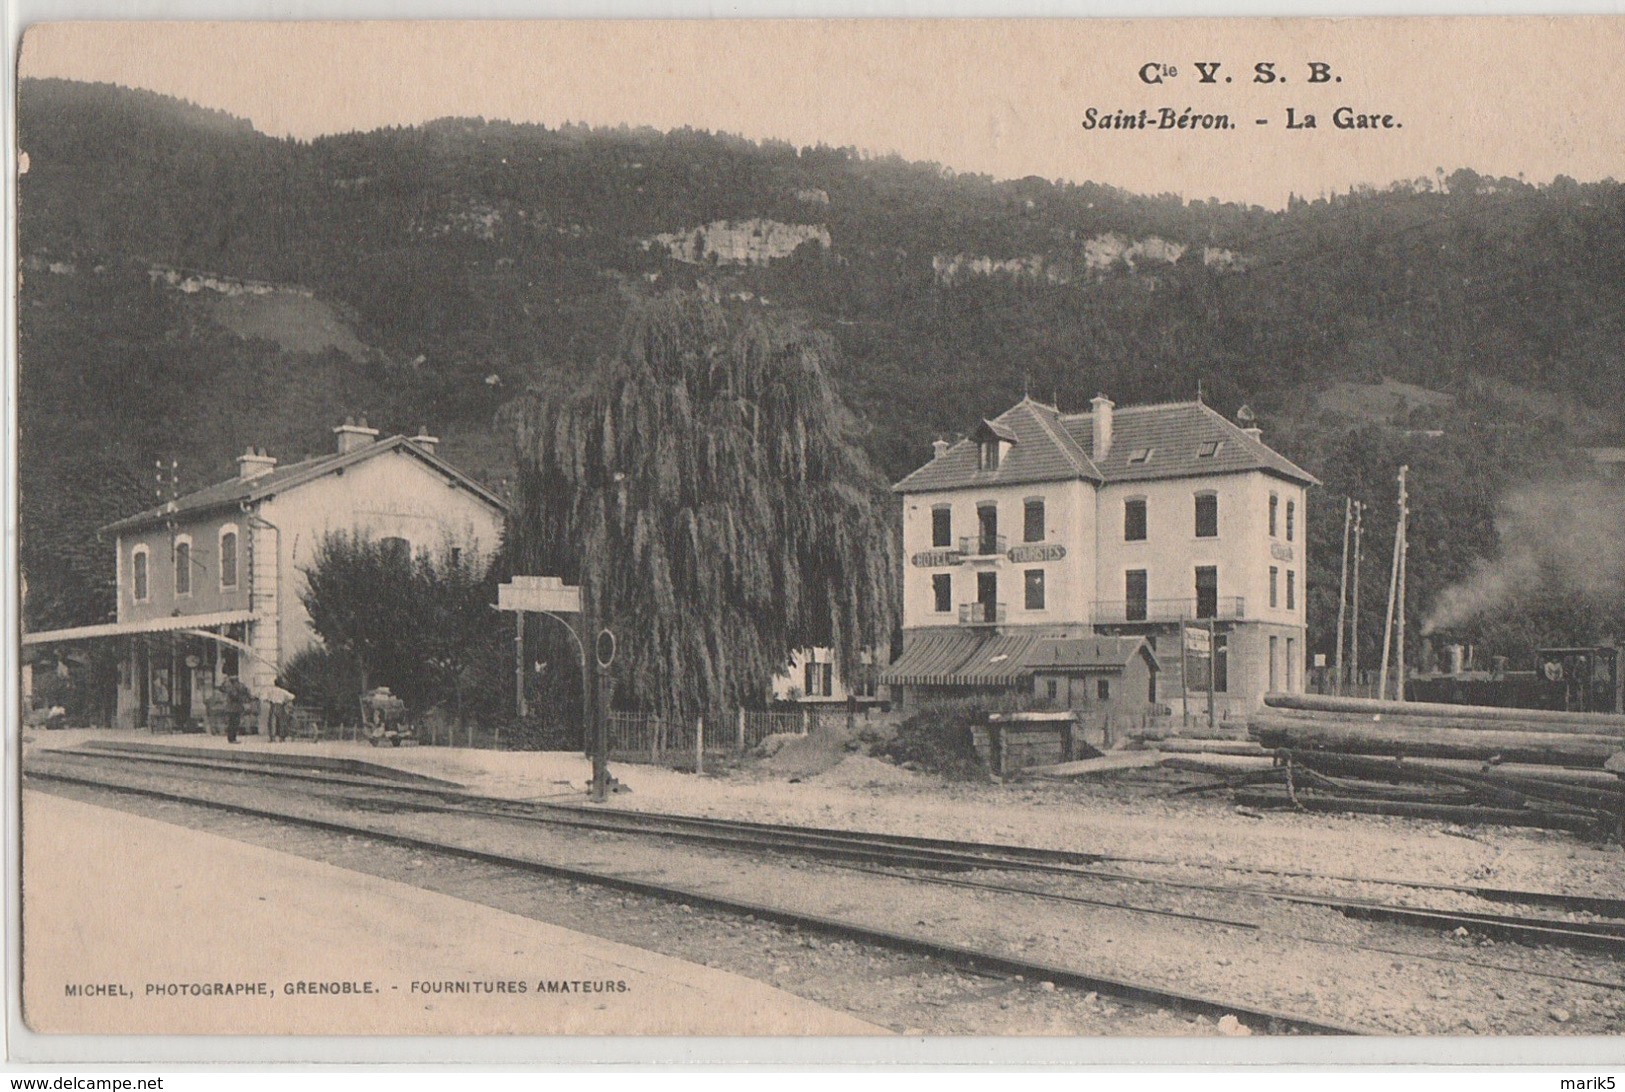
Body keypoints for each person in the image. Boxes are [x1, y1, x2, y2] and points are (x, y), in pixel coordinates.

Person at [220, 675, 250, 744]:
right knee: (234, 723)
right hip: (235, 708)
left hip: (232, 708)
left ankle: (232, 738)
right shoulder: (234, 687)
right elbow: (236, 696)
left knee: (232, 723)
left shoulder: (230, 687)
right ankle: (232, 738)